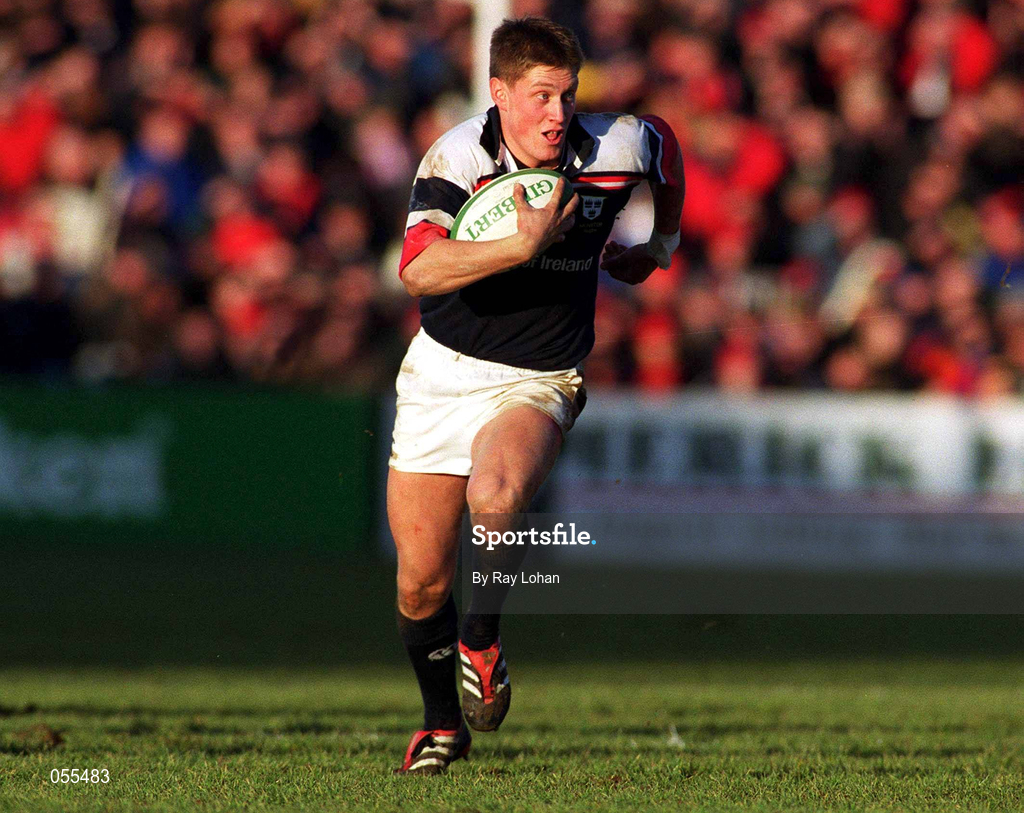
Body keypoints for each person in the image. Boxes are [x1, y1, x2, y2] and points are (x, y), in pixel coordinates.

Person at [388, 16, 684, 774]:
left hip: (539, 376)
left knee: (497, 493)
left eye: (568, 95)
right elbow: (417, 270)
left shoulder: (613, 147)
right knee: (420, 584)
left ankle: (481, 639)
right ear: (499, 92)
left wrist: (660, 245)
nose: (558, 113)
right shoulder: (457, 156)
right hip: (442, 372)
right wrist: (518, 245)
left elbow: (665, 149)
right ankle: (441, 725)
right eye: (541, 96)